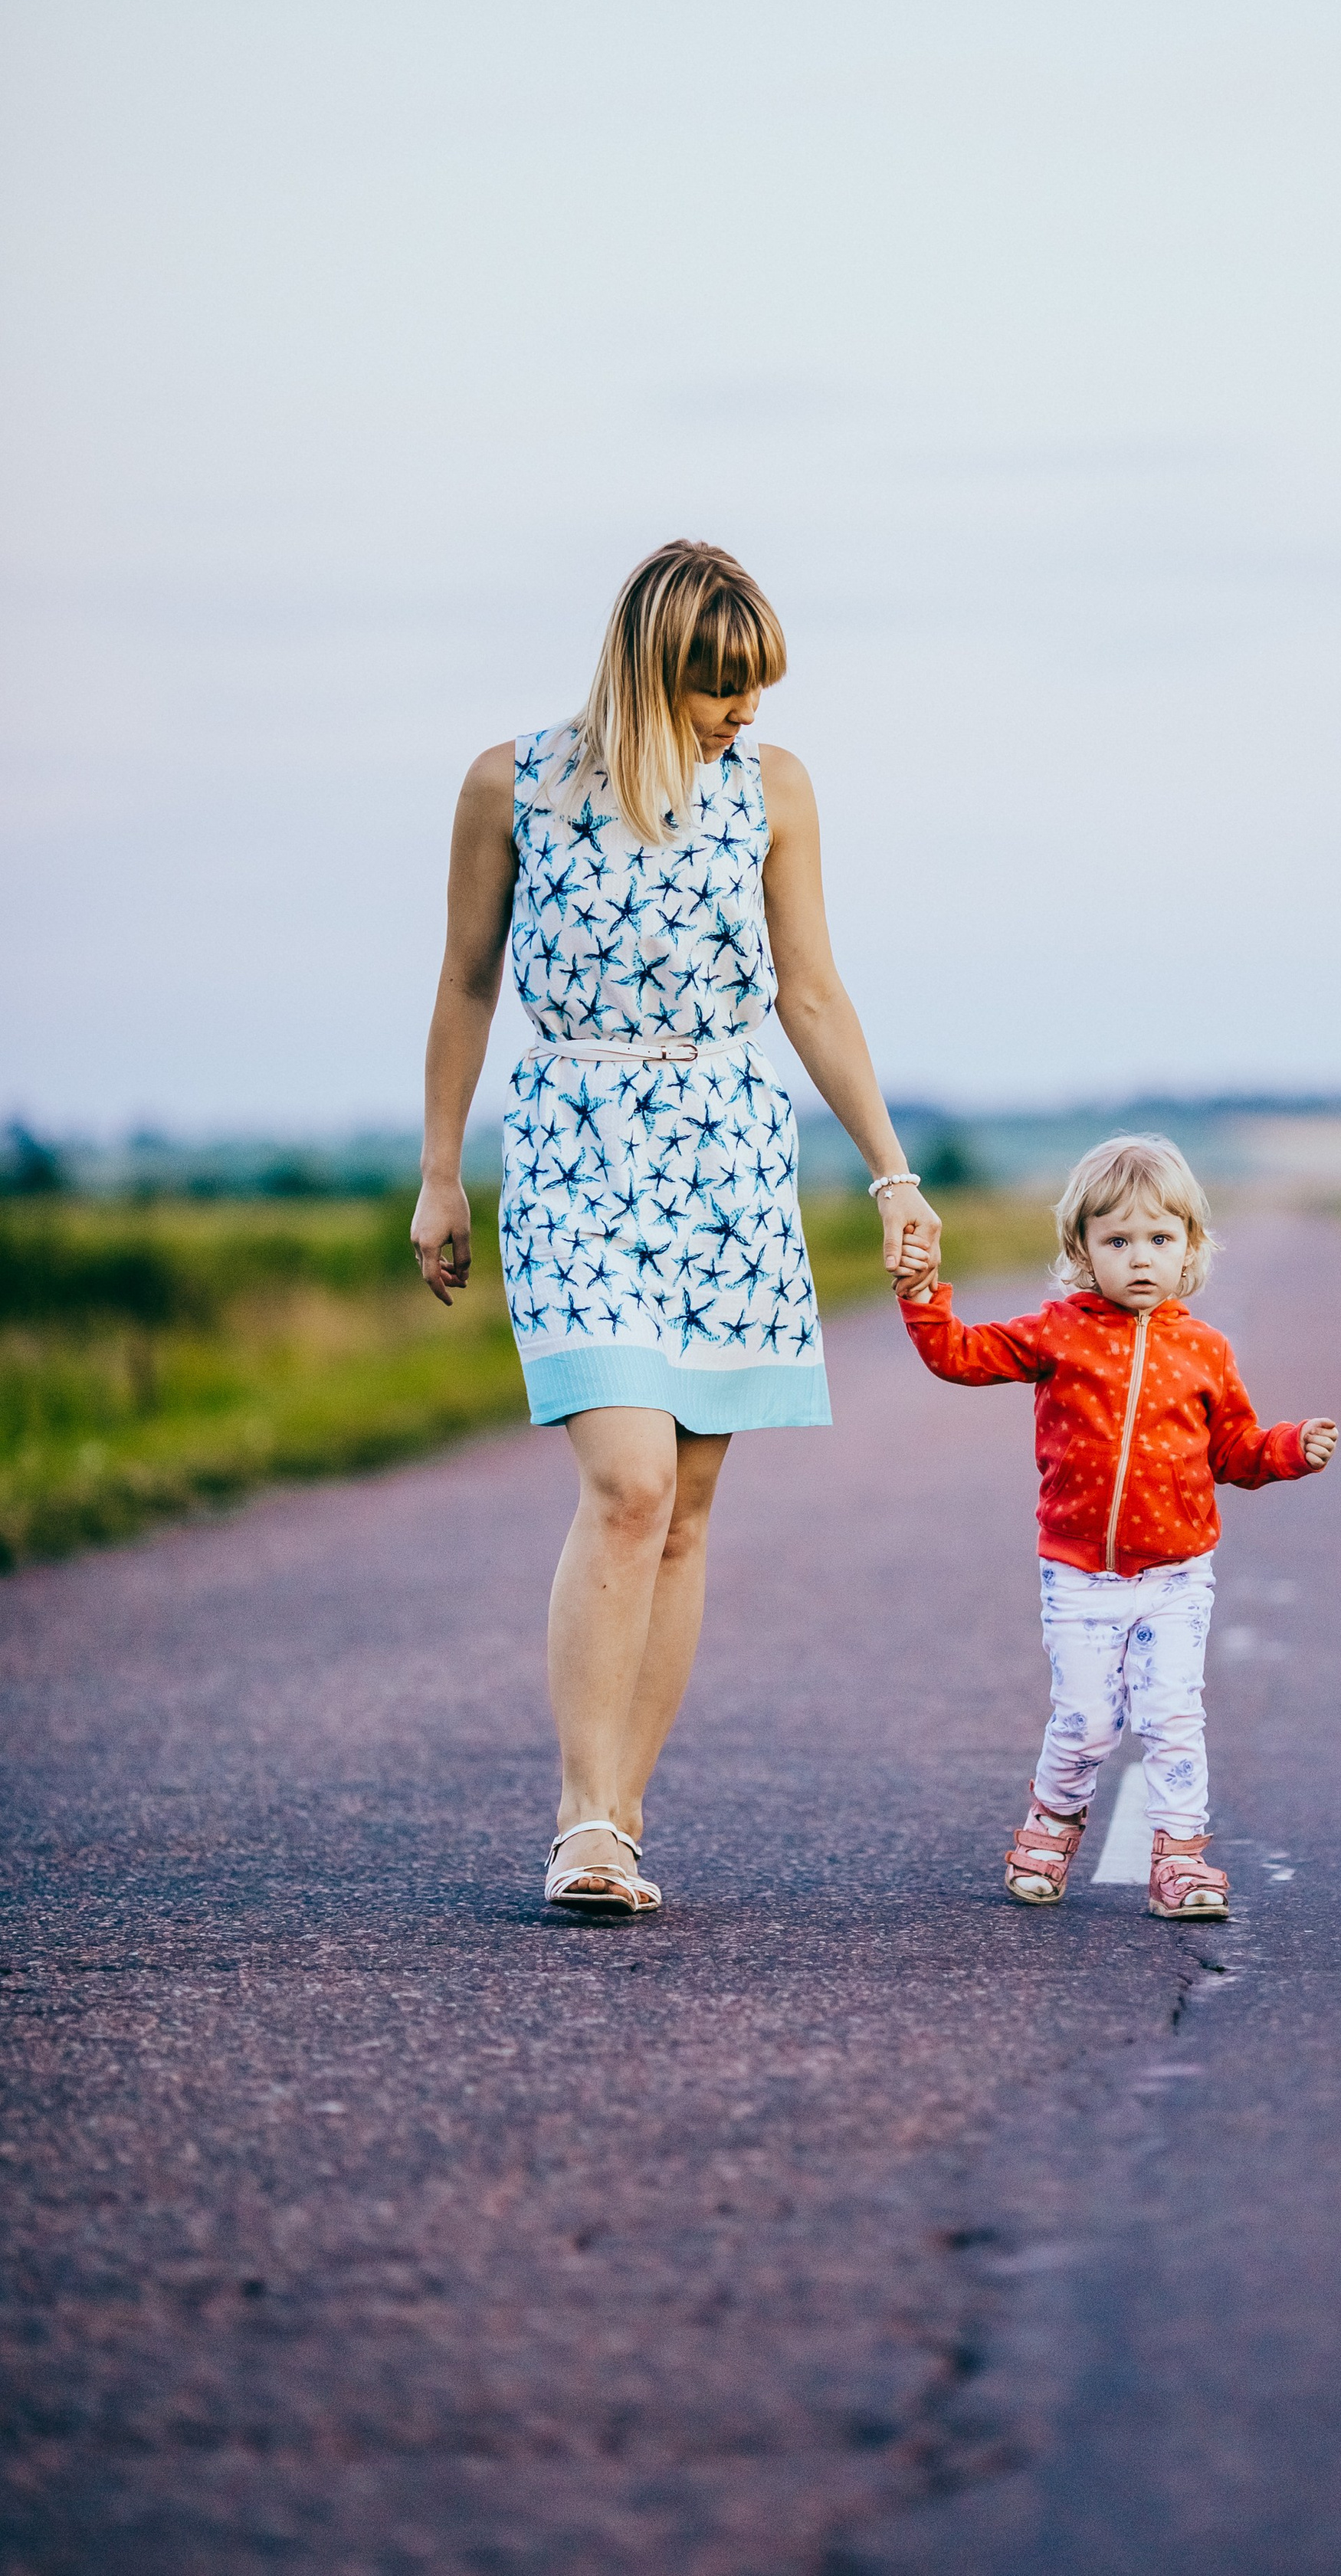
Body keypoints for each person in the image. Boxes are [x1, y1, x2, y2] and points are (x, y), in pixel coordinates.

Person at [411, 540, 940, 1915]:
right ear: (654, 673)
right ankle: (580, 1819)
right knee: (630, 1478)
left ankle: (622, 1819)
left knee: (690, 1509)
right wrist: (440, 1171)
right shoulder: (508, 782)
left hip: (728, 1160)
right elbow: (467, 983)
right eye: (720, 689)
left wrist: (893, 1172)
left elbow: (811, 994)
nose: (744, 712)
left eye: (756, 688)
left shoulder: (773, 789)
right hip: (577, 1145)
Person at [892, 1134, 1336, 1919]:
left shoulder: (1204, 1350)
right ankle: (1052, 1824)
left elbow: (1233, 1450)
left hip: (1175, 1579)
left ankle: (1182, 1863)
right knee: (1087, 1722)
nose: (1139, 1258)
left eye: (1159, 1240)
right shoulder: (1056, 1333)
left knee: (1172, 1720)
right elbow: (960, 1356)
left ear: (1189, 1248)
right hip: (1079, 1575)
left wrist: (1290, 1449)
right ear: (1081, 1249)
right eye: (1118, 1240)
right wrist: (925, 1297)